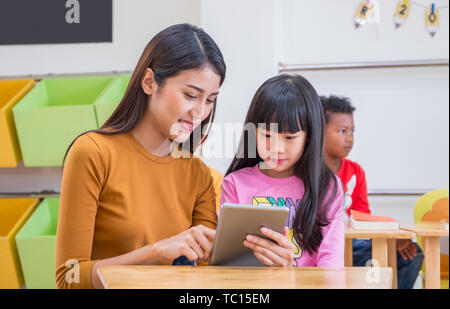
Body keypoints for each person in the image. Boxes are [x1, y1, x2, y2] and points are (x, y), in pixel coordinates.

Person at [55, 23, 226, 289]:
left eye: (210, 100)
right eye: (190, 95)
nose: (200, 112)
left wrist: (267, 262)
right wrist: (157, 251)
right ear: (149, 82)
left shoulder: (198, 174)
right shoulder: (93, 153)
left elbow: (204, 282)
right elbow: (69, 277)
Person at [221, 74, 345, 267]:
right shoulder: (235, 184)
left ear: (309, 137)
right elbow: (229, 262)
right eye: (267, 135)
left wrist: (291, 272)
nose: (276, 148)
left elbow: (331, 263)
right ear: (253, 132)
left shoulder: (327, 186)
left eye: (289, 137)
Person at [321, 94, 424, 289]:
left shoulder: (355, 171)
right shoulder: (309, 172)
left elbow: (361, 217)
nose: (349, 138)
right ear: (320, 131)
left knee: (412, 252)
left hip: (353, 244)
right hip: (323, 246)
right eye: (342, 131)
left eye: (352, 132)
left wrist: (390, 239)